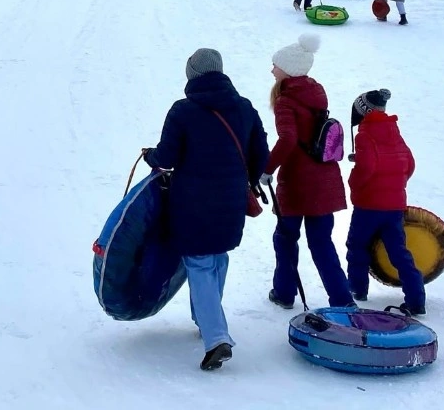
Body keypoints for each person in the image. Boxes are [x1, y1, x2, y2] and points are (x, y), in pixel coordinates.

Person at [144, 48, 268, 371]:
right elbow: (260, 155)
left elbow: (167, 157)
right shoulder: (244, 108)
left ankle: (216, 338)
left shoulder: (183, 111)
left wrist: (151, 157)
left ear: (192, 75)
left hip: (192, 203)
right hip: (230, 203)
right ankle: (204, 318)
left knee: (199, 263)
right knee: (218, 258)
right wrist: (244, 181)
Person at [263, 35, 354, 310]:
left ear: (288, 69)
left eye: (275, 65)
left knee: (285, 238)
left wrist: (267, 169)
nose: (272, 70)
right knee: (322, 242)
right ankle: (342, 299)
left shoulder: (286, 101)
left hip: (298, 183)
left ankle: (284, 292)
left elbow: (288, 139)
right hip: (324, 179)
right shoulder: (315, 92)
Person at [344, 90, 426, 315]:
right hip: (394, 205)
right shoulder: (394, 132)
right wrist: (396, 186)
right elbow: (408, 163)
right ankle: (416, 299)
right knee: (398, 252)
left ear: (363, 111)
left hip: (369, 205)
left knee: (358, 246)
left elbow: (367, 167)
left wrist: (354, 182)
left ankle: (357, 291)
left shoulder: (365, 134)